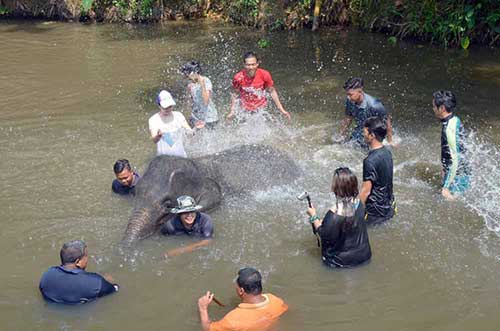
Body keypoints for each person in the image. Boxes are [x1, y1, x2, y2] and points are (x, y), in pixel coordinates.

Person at [306, 167, 372, 268]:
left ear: (335, 188)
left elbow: (323, 235)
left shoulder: (333, 214)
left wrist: (313, 216)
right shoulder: (359, 204)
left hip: (341, 263)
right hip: (365, 256)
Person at [198, 267, 288, 331]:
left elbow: (208, 328)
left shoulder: (232, 321)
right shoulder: (276, 300)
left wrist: (203, 308)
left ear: (241, 291)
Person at [39, 240, 119, 304]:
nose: (88, 259)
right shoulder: (96, 283)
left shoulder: (47, 275)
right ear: (78, 262)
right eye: (86, 256)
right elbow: (115, 290)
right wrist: (109, 281)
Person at [227, 51, 291, 121]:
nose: (251, 67)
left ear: (257, 64)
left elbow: (272, 91)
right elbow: (235, 94)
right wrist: (232, 112)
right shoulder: (238, 77)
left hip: (261, 109)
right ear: (244, 65)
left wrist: (282, 110)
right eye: (248, 65)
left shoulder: (264, 74)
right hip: (245, 110)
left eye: (253, 64)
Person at [432, 90, 470, 200]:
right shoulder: (454, 119)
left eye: (434, 106)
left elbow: (455, 159)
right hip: (459, 173)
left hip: (458, 177)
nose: (433, 109)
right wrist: (444, 169)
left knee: (445, 203)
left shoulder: (448, 129)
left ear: (442, 108)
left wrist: (446, 186)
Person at [337, 77, 393, 147]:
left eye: (350, 94)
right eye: (347, 94)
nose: (348, 97)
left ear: (360, 91)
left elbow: (387, 123)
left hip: (373, 136)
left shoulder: (375, 105)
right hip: (359, 133)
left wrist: (390, 141)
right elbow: (348, 118)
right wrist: (341, 135)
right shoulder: (350, 100)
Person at [359, 116, 395, 225]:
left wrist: (354, 213)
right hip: (388, 207)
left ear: (372, 135)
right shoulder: (387, 152)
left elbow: (366, 191)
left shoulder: (369, 161)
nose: (363, 135)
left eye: (365, 132)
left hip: (374, 213)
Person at [148, 90, 194, 157]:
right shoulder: (154, 120)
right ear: (159, 106)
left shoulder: (178, 115)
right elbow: (154, 140)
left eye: (170, 106)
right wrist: (158, 136)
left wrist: (196, 129)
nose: (168, 109)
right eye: (165, 107)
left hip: (181, 157)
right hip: (164, 159)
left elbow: (189, 132)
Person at [181, 61, 219, 130]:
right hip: (196, 118)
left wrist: (202, 85)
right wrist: (189, 116)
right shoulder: (191, 84)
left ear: (194, 72)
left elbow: (206, 101)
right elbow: (190, 102)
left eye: (187, 74)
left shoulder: (206, 81)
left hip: (209, 118)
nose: (186, 77)